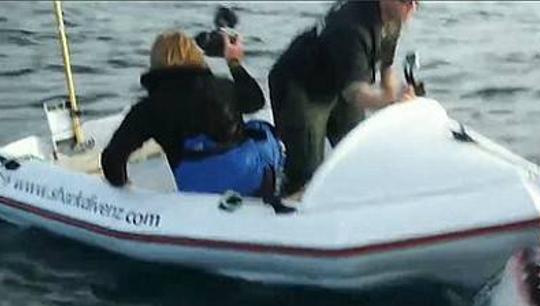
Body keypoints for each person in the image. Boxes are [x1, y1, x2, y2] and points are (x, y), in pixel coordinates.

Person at [101, 30, 284, 197]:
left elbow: (112, 159)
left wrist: (124, 188)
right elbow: (256, 101)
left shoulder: (148, 108)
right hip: (250, 183)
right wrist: (234, 62)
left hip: (195, 188)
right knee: (262, 130)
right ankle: (284, 184)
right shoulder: (223, 88)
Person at [268, 0, 419, 196]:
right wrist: (388, 101)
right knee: (306, 172)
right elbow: (355, 93)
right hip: (302, 86)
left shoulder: (393, 19)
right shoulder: (352, 28)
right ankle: (289, 200)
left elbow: (386, 67)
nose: (412, 8)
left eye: (417, 2)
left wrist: (398, 96)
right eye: (406, 1)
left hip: (338, 81)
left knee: (356, 150)